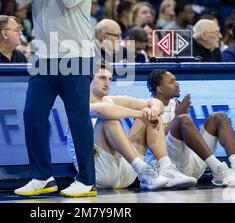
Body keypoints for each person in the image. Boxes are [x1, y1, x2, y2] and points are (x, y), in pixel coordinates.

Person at [14, 0, 96, 197]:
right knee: (32, 115)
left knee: (78, 120)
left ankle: (86, 180)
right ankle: (42, 177)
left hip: (76, 57)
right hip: (44, 60)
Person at [67, 66, 197, 190]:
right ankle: (144, 171)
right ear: (89, 79)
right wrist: (140, 114)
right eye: (102, 78)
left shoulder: (111, 99)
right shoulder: (78, 103)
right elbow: (102, 110)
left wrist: (152, 111)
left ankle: (166, 167)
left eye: (110, 79)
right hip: (97, 173)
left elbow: (156, 102)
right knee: (109, 120)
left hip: (128, 173)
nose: (107, 83)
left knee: (151, 115)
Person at [147, 69, 235, 186]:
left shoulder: (176, 104)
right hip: (170, 167)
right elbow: (153, 143)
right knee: (183, 119)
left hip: (193, 162)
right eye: (172, 82)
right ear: (160, 88)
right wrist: (177, 117)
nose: (177, 84)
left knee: (219, 117)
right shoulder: (148, 108)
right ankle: (219, 170)